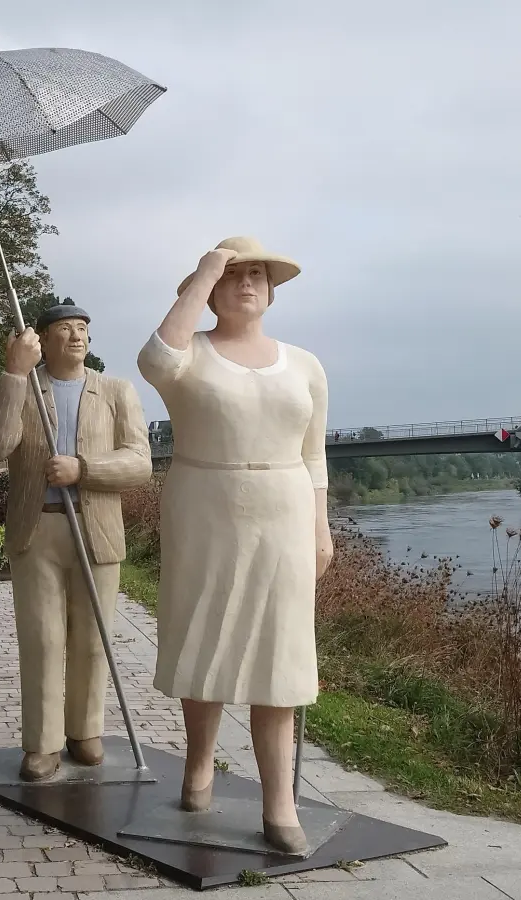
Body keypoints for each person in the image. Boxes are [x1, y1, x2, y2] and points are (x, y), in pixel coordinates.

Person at [137, 236, 332, 855]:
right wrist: (205, 270)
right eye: (232, 275)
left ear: (272, 291)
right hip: (206, 508)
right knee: (206, 638)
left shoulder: (304, 365)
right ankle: (198, 766)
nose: (245, 283)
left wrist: (321, 526)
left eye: (256, 274)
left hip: (284, 509)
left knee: (281, 653)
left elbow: (315, 455)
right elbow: (153, 360)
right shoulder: (189, 355)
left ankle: (280, 804)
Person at [0, 300, 152, 781]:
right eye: (64, 330)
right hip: (38, 528)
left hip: (96, 530)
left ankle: (85, 731)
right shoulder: (25, 387)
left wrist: (86, 469)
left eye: (82, 329)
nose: (76, 337)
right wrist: (13, 374)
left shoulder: (115, 391)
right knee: (42, 640)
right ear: (43, 338)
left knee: (93, 641)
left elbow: (140, 461)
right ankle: (43, 743)